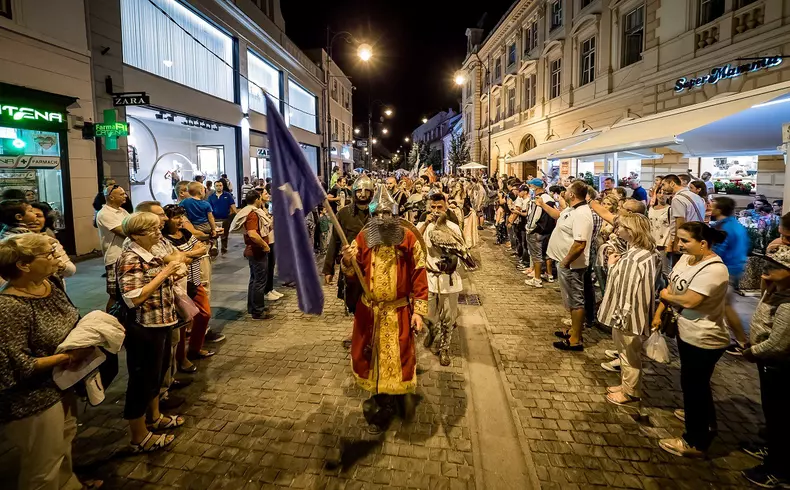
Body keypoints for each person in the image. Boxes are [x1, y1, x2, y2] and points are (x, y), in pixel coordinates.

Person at [0, 234, 102, 490]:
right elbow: (17, 365)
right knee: (42, 468)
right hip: (33, 400)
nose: (56, 258)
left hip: (63, 384)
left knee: (64, 444)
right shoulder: (9, 306)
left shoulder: (50, 284)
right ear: (23, 265)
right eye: (48, 254)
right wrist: (68, 357)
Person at [341, 185, 428, 434]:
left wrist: (418, 311)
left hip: (398, 311)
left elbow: (419, 273)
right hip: (370, 311)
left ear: (395, 214)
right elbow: (353, 271)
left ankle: (388, 403)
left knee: (397, 358)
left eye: (387, 214)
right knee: (371, 357)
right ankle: (382, 397)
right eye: (378, 214)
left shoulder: (408, 238)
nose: (382, 219)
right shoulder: (364, 237)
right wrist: (347, 260)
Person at [655, 222, 729, 458]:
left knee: (695, 386)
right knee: (693, 383)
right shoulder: (687, 259)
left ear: (703, 244)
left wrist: (667, 295)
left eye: (685, 241)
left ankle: (695, 441)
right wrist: (659, 311)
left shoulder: (715, 269)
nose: (680, 245)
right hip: (686, 331)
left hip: (704, 336)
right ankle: (700, 420)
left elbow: (690, 300)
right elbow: (672, 284)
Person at [116, 212, 186, 453]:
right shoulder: (130, 257)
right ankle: (138, 436)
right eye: (153, 230)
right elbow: (133, 297)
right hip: (144, 326)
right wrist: (165, 273)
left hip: (162, 321)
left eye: (159, 228)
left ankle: (154, 417)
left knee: (156, 375)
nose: (159, 233)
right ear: (136, 234)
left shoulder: (152, 251)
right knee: (141, 381)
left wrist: (171, 273)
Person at [739, 245, 790, 488]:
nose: (766, 270)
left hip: (778, 366)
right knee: (772, 414)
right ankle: (771, 450)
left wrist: (752, 352)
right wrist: (768, 283)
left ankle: (778, 469)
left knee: (780, 416)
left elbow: (779, 344)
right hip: (767, 363)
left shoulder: (788, 304)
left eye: (775, 267)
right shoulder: (776, 291)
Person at [597, 214, 658, 407]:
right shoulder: (639, 252)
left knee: (629, 353)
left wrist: (611, 266)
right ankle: (626, 386)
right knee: (624, 352)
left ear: (630, 230)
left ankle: (631, 391)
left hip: (629, 314)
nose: (616, 229)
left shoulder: (638, 256)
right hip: (628, 313)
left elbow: (628, 287)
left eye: (621, 226)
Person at [539, 180, 594, 351]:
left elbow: (579, 243)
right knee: (570, 300)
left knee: (576, 301)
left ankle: (575, 339)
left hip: (572, 265)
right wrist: (542, 205)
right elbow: (558, 215)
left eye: (568, 190)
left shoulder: (582, 214)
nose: (565, 192)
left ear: (572, 194)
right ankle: (573, 330)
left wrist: (565, 262)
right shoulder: (572, 210)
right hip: (566, 264)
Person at [418, 193, 464, 366]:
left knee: (448, 318)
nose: (436, 211)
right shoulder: (425, 225)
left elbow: (461, 250)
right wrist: (427, 223)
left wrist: (452, 263)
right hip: (429, 278)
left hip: (449, 279)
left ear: (446, 208)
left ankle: (445, 348)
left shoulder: (453, 227)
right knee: (428, 316)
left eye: (440, 207)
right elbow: (413, 240)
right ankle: (431, 333)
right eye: (433, 207)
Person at [708, 196, 751, 354]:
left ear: (719, 209)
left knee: (727, 306)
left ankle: (742, 342)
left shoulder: (725, 228)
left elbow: (718, 250)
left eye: (712, 205)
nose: (709, 207)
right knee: (720, 304)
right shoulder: (735, 224)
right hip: (735, 266)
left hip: (727, 269)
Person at [240, 190, 273, 320]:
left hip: (254, 250)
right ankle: (257, 311)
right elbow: (252, 233)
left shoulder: (249, 211)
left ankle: (254, 307)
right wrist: (264, 245)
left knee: (254, 280)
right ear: (257, 199)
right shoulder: (252, 214)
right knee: (259, 281)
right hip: (256, 251)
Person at [96, 185, 130, 310]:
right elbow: (124, 231)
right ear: (111, 197)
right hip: (115, 258)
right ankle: (110, 318)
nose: (125, 196)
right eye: (121, 194)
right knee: (115, 294)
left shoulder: (123, 211)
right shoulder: (104, 214)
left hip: (127, 256)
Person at [663, 174, 706, 263]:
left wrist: (676, 243)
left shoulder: (678, 198)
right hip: (696, 237)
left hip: (685, 240)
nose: (663, 188)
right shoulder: (696, 196)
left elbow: (680, 222)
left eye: (664, 184)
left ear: (672, 183)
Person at [29, 203, 76, 280]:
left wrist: (61, 265)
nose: (34, 219)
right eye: (30, 215)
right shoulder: (18, 242)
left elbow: (71, 270)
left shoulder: (51, 241)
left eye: (39, 216)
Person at [524, 178, 555, 288]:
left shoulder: (539, 199)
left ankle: (537, 279)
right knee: (546, 254)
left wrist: (529, 228)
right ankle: (549, 274)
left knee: (536, 256)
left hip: (537, 231)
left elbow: (534, 216)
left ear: (535, 187)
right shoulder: (550, 198)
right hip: (548, 231)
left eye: (531, 186)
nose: (530, 188)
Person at [649, 189, 673, 282]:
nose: (662, 195)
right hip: (652, 242)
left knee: (665, 270)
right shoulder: (651, 208)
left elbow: (673, 228)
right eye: (659, 192)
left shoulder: (669, 209)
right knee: (654, 269)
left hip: (664, 243)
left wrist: (670, 244)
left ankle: (670, 290)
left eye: (665, 193)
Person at [207, 180, 237, 254]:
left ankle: (224, 247)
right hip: (215, 219)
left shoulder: (227, 195)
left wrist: (237, 214)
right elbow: (209, 208)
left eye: (220, 185)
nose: (219, 187)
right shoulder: (211, 197)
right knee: (214, 234)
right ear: (214, 187)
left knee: (225, 234)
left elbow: (232, 205)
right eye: (217, 186)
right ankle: (214, 248)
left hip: (225, 218)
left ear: (223, 186)